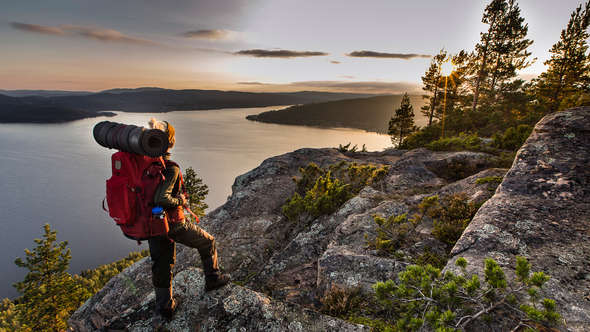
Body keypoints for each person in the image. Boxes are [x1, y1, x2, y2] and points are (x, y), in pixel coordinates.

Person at [147, 118, 229, 323]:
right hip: (172, 223)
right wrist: (180, 200)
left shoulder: (147, 164)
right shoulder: (170, 168)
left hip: (152, 224)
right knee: (207, 241)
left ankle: (164, 307)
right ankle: (213, 279)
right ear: (170, 142)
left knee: (162, 263)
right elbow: (162, 198)